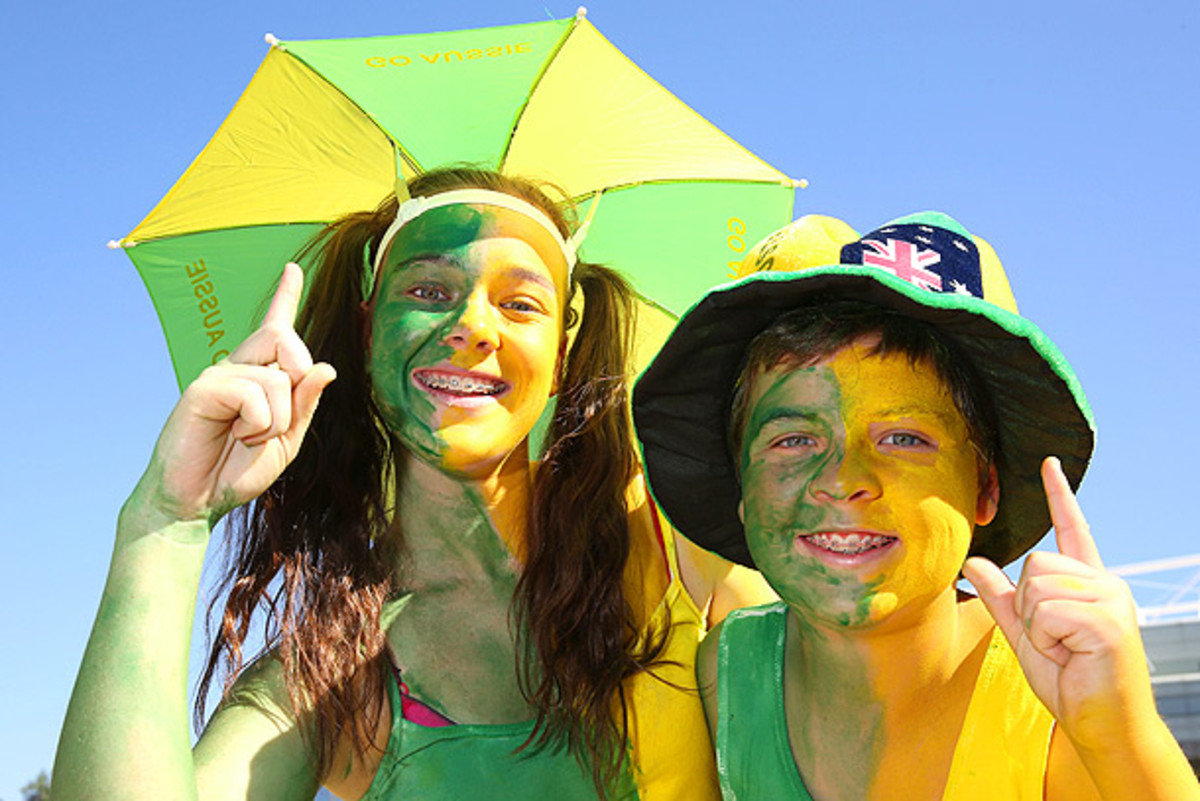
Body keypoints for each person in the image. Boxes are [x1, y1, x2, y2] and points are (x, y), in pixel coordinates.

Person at [53, 168, 773, 800]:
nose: (472, 326)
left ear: (562, 354)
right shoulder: (332, 673)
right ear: (369, 332)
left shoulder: (677, 540)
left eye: (521, 303)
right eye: (429, 289)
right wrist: (167, 520)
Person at [632, 212, 1200, 799]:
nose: (843, 479)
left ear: (985, 488)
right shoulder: (716, 682)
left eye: (903, 438)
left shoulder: (1050, 699)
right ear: (742, 491)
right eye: (793, 440)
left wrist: (1119, 737)